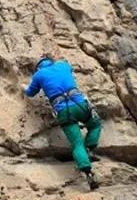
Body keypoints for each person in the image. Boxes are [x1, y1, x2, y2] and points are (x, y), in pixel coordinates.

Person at [22, 55, 102, 190]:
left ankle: (88, 172)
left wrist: (24, 87)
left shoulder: (38, 74)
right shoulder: (63, 65)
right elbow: (69, 69)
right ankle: (89, 148)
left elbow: (31, 93)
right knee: (95, 125)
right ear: (50, 61)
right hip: (80, 104)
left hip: (63, 111)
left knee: (77, 143)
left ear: (38, 67)